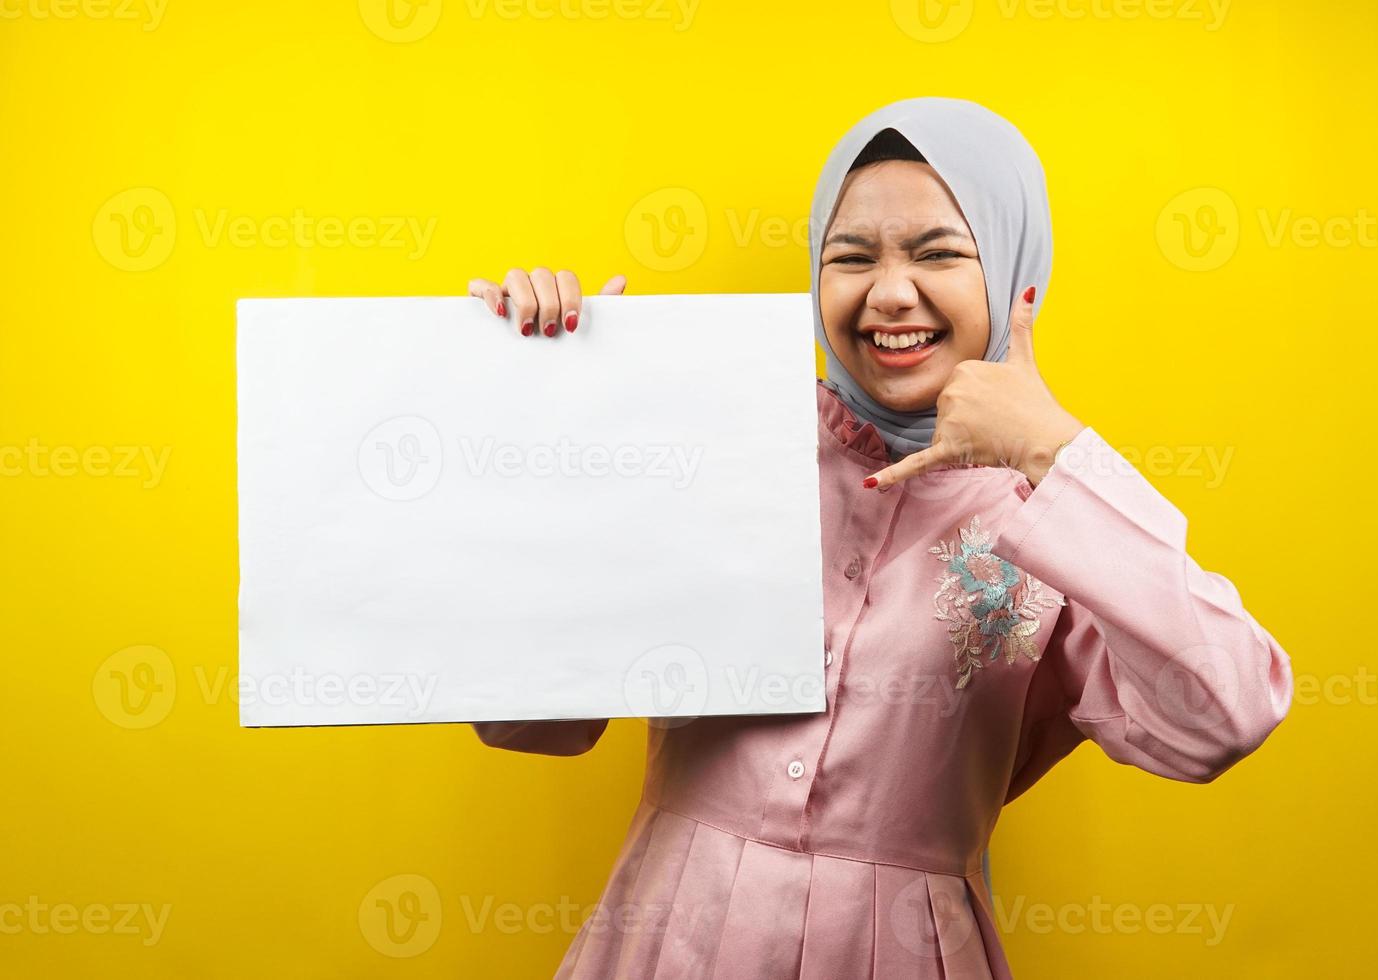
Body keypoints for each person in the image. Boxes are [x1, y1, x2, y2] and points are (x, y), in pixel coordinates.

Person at [466, 96, 1294, 979]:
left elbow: (1224, 715)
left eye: (939, 252)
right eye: (850, 256)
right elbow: (523, 719)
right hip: (672, 942)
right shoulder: (715, 446)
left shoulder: (1058, 516)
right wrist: (548, 415)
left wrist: (1057, 450)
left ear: (1020, 279)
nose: (890, 292)